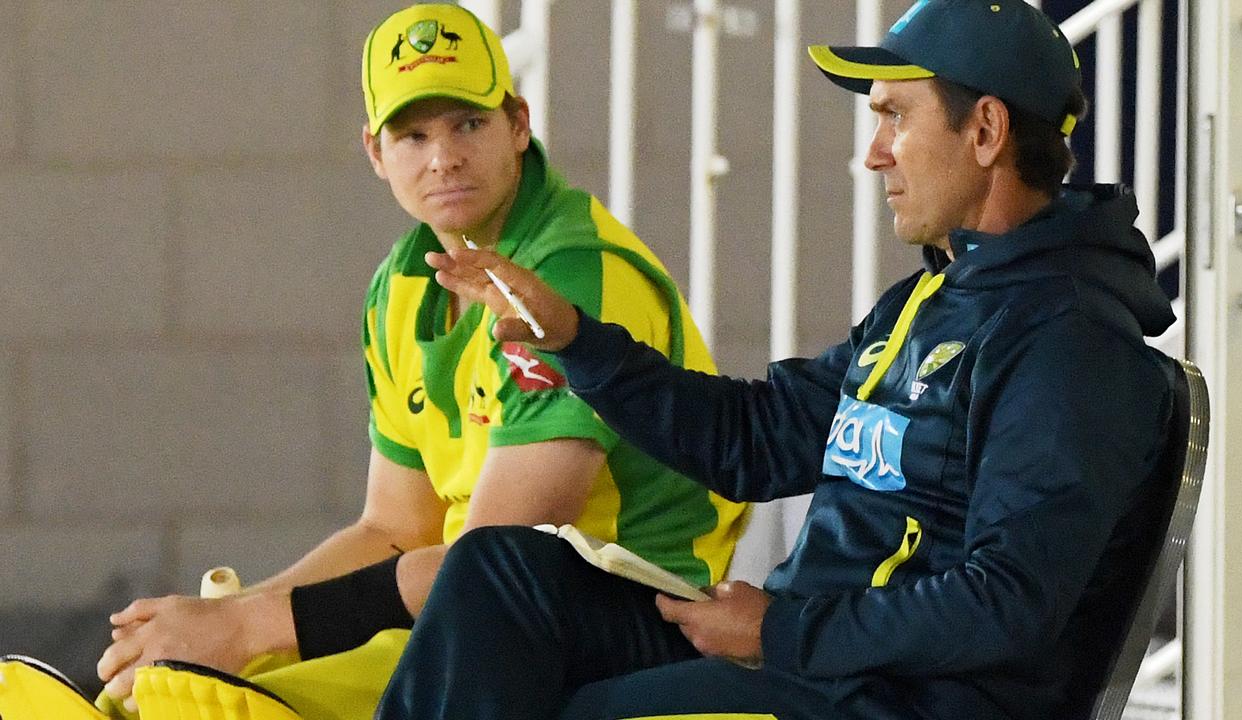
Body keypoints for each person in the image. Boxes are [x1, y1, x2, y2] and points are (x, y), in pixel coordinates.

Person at [373, 1, 1180, 719]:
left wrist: (779, 629)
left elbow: (1006, 604)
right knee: (501, 579)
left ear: (985, 131)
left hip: (876, 695)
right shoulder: (927, 304)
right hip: (806, 660)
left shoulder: (1070, 344)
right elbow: (755, 439)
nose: (875, 153)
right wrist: (575, 341)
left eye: (896, 118)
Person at [80, 4, 745, 720]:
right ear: (375, 152)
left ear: (518, 124)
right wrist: (232, 619)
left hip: (633, 617)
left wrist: (246, 628)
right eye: (413, 134)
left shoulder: (570, 276)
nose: (443, 158)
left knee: (230, 698)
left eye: (469, 124)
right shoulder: (402, 285)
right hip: (477, 604)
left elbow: (493, 566)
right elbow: (393, 529)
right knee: (182, 678)